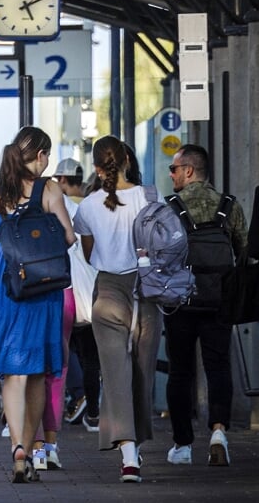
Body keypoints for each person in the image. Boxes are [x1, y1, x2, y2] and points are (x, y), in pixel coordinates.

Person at [0, 126, 75, 483]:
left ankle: (17, 448)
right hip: (43, 285)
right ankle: (32, 443)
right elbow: (69, 236)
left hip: (3, 284)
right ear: (40, 156)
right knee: (38, 368)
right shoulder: (49, 189)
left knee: (13, 372)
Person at [74, 136, 161, 482]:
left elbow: (88, 254)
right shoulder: (150, 197)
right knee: (143, 369)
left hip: (109, 288)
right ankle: (135, 446)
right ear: (127, 158)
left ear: (96, 167)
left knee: (114, 372)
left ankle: (128, 456)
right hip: (148, 289)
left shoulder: (90, 205)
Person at [162, 144, 249, 467]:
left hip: (181, 301)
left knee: (180, 371)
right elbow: (241, 251)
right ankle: (217, 432)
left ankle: (182, 445)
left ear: (189, 170)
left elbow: (162, 254)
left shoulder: (171, 207)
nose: (171, 174)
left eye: (174, 169)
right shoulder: (229, 206)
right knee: (218, 367)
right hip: (219, 300)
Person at [57, 159, 102, 433]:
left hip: (64, 292)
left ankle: (70, 400)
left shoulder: (57, 207)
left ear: (62, 179)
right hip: (91, 291)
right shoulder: (91, 207)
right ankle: (94, 411)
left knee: (62, 350)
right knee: (91, 356)